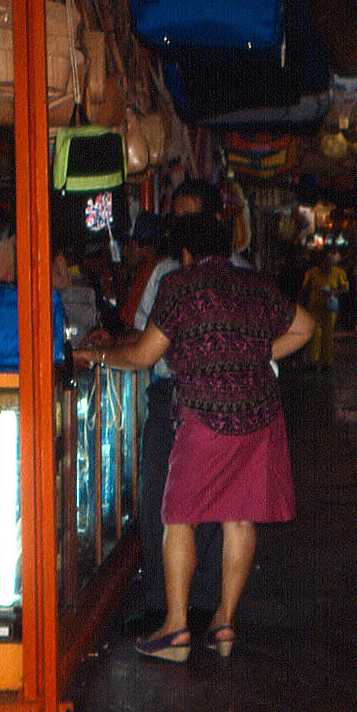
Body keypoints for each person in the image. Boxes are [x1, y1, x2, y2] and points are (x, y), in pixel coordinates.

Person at [77, 210, 314, 660]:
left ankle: (176, 628)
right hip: (259, 413)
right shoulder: (255, 284)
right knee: (239, 517)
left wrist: (96, 356)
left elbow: (143, 356)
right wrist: (255, 353)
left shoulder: (179, 286)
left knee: (179, 516)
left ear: (185, 254)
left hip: (205, 414)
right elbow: (306, 327)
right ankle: (224, 623)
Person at [97, 182, 225, 626]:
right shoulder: (163, 274)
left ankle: (202, 604)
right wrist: (112, 343)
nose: (182, 225)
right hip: (168, 393)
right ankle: (161, 605)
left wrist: (103, 354)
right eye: (178, 217)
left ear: (212, 220)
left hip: (212, 398)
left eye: (192, 216)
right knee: (157, 497)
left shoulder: (232, 273)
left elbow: (145, 350)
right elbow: (143, 337)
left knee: (210, 504)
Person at [118, 210, 168, 330]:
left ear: (143, 248)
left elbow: (129, 325)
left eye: (128, 245)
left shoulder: (149, 274)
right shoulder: (155, 267)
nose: (124, 252)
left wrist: (120, 281)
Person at [301, 247, 349, 370]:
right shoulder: (312, 273)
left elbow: (345, 289)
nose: (327, 264)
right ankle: (313, 360)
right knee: (315, 335)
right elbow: (305, 288)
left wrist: (334, 292)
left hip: (330, 309)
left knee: (328, 335)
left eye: (329, 261)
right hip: (314, 308)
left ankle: (327, 362)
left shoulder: (338, 273)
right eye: (325, 261)